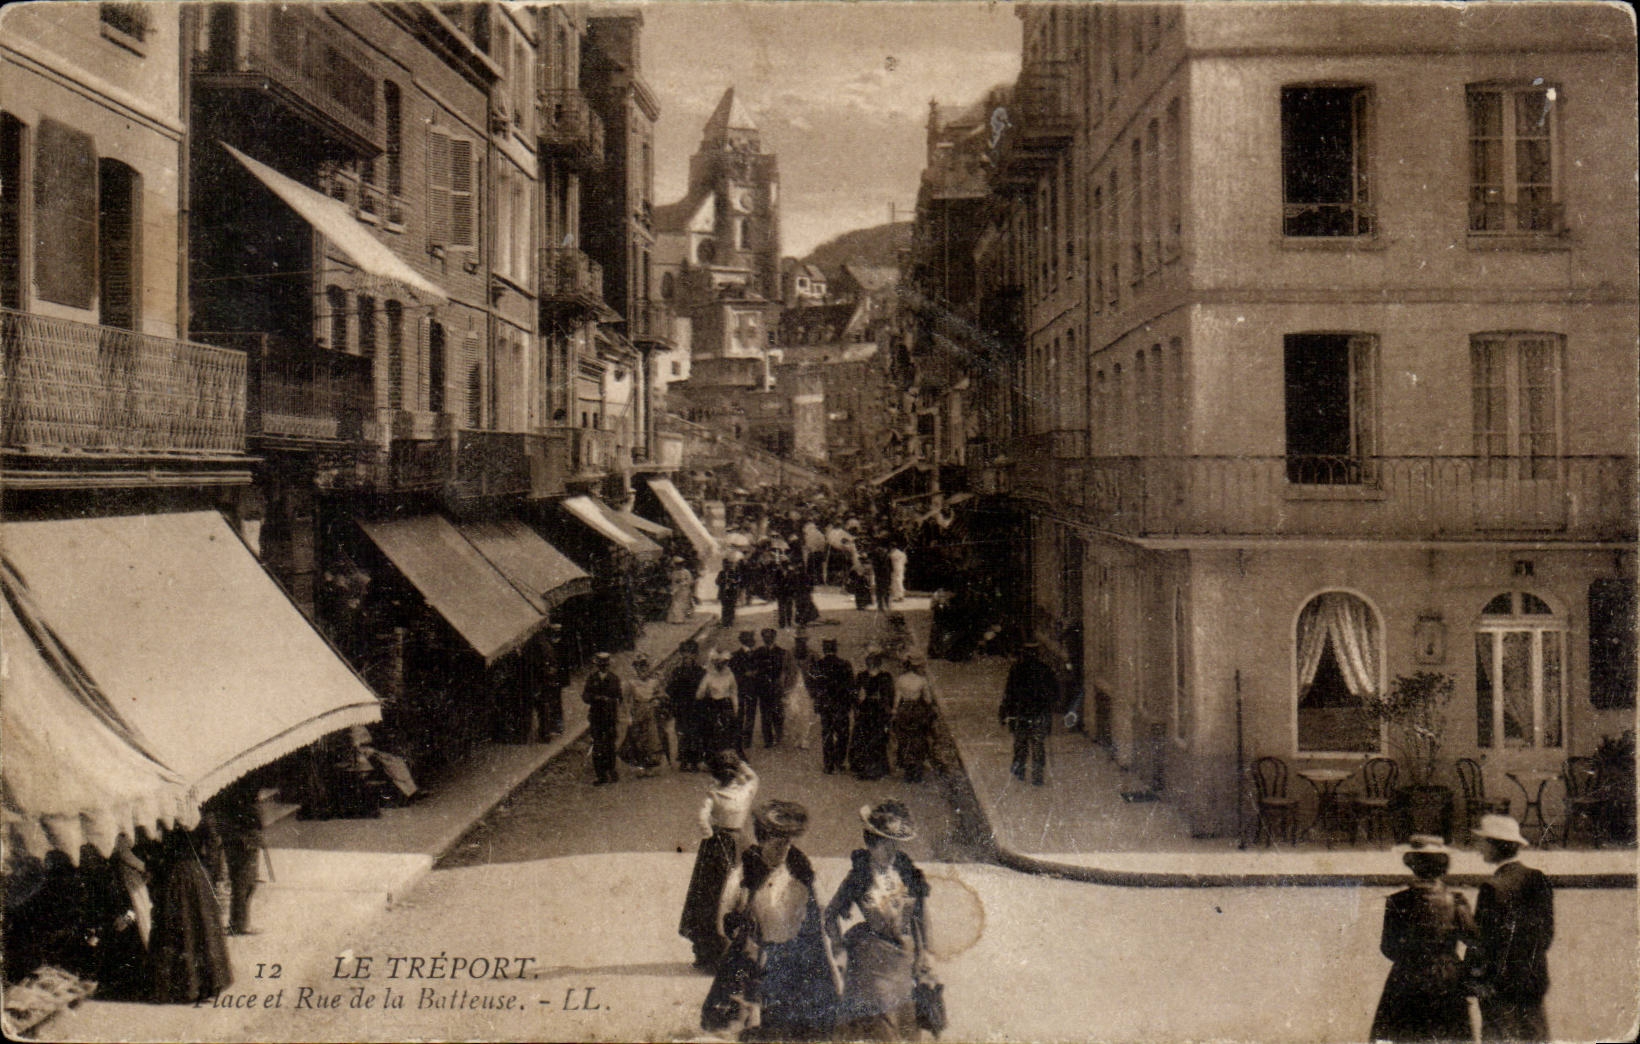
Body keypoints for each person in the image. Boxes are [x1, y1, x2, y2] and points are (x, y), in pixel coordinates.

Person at [703, 800, 838, 1042]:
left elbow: (821, 919)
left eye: (788, 842)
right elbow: (724, 920)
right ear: (763, 839)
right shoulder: (745, 872)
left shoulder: (803, 871)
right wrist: (743, 937)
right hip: (752, 959)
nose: (784, 849)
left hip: (795, 962)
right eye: (777, 843)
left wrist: (832, 970)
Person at [823, 801, 934, 1042]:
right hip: (872, 958)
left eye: (895, 844)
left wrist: (925, 951)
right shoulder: (859, 875)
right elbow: (830, 914)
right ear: (871, 844)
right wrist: (838, 947)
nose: (891, 852)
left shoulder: (907, 872)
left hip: (903, 957)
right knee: (880, 1023)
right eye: (885, 845)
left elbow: (921, 915)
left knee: (905, 1022)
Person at [1369, 835, 1476, 1043]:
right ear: (1443, 867)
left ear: (1411, 865)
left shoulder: (1397, 901)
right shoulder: (1456, 901)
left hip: (1407, 976)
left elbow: (1388, 947)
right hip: (1447, 977)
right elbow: (1474, 939)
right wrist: (1461, 968)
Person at [1466, 814, 1555, 1043]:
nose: (1479, 849)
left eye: (1483, 843)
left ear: (1495, 846)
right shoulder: (1538, 879)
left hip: (1500, 986)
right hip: (1532, 980)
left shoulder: (1492, 887)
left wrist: (1474, 978)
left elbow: (1482, 941)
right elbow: (1546, 936)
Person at [680, 751, 759, 971]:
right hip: (740, 842)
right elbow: (753, 777)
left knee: (709, 895)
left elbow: (702, 817)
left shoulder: (713, 795)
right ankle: (738, 949)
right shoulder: (746, 792)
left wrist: (708, 833)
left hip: (717, 845)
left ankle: (709, 953)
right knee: (738, 894)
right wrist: (741, 764)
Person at [140, 824, 234, 1003]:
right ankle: (202, 985)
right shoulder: (199, 814)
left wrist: (156, 870)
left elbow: (152, 845)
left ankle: (180, 987)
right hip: (195, 875)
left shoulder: (165, 815)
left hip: (174, 875)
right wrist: (208, 870)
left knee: (178, 929)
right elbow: (214, 844)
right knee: (200, 929)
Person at [203, 776, 264, 935]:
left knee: (242, 881)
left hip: (235, 835)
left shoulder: (228, 783)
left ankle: (238, 922)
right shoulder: (243, 786)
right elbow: (250, 814)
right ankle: (240, 923)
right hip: (243, 837)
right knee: (245, 881)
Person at [1000, 640, 1059, 785]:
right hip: (1039, 713)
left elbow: (1009, 693)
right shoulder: (1045, 670)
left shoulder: (1017, 670)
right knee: (1038, 745)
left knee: (1021, 744)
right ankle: (1037, 776)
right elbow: (1055, 693)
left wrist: (1004, 713)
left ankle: (1019, 771)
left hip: (1022, 713)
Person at [810, 638, 857, 774]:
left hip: (826, 706)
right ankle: (839, 761)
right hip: (841, 706)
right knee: (843, 734)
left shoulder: (818, 665)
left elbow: (815, 687)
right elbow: (851, 686)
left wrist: (817, 704)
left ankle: (828, 764)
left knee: (827, 734)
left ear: (824, 649)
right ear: (835, 649)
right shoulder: (845, 664)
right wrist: (853, 704)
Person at [892, 656, 939, 783]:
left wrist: (895, 711)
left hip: (904, 710)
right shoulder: (922, 680)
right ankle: (917, 768)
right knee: (919, 738)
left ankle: (907, 766)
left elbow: (897, 699)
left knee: (905, 738)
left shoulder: (901, 679)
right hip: (917, 711)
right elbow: (928, 699)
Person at [618, 653, 667, 776]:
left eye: (645, 666)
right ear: (636, 668)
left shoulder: (654, 682)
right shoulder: (630, 684)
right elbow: (626, 702)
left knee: (652, 739)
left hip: (651, 713)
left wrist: (658, 700)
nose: (643, 669)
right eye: (639, 666)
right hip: (638, 713)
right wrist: (628, 716)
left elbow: (663, 696)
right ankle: (640, 766)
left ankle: (650, 766)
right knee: (637, 739)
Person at [850, 650, 896, 781]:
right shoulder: (886, 677)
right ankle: (877, 769)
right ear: (879, 664)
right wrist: (889, 710)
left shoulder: (861, 676)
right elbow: (890, 695)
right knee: (878, 738)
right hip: (879, 710)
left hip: (866, 709)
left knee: (863, 738)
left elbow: (855, 695)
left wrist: (857, 708)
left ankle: (864, 768)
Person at [582, 651, 624, 785]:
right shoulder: (592, 678)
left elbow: (620, 697)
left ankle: (611, 770)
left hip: (610, 717)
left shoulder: (614, 679)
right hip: (596, 717)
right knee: (598, 745)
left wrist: (611, 701)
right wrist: (597, 698)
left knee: (610, 745)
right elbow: (585, 696)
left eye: (605, 665)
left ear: (609, 665)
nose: (603, 667)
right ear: (597, 666)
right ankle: (601, 775)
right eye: (601, 665)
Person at [669, 640, 708, 771]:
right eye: (685, 655)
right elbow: (671, 690)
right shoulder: (677, 672)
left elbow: (705, 690)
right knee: (682, 733)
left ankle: (695, 761)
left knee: (696, 733)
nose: (687, 658)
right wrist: (673, 705)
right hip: (682, 707)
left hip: (696, 707)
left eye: (690, 655)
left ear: (695, 656)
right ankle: (684, 759)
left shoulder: (700, 672)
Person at [750, 628, 792, 750]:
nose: (767, 639)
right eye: (765, 637)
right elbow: (754, 668)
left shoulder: (782, 652)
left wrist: (783, 683)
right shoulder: (758, 652)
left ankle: (779, 735)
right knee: (765, 713)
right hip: (763, 687)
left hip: (776, 686)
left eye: (770, 637)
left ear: (774, 637)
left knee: (778, 712)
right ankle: (768, 739)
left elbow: (787, 671)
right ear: (762, 638)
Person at [697, 649, 742, 757]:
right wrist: (706, 694)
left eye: (723, 663)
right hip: (713, 705)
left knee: (729, 730)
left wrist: (736, 708)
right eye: (719, 663)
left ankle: (730, 757)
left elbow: (734, 692)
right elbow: (700, 694)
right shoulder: (709, 676)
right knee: (714, 731)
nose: (721, 665)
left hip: (726, 704)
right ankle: (715, 757)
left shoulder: (729, 674)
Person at [730, 631, 761, 756]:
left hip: (753, 689)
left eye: (751, 638)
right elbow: (733, 674)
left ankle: (747, 738)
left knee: (751, 714)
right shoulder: (735, 656)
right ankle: (739, 737)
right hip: (741, 689)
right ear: (743, 641)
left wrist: (756, 673)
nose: (751, 640)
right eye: (749, 639)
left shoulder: (756, 654)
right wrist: (744, 675)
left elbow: (761, 668)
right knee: (740, 713)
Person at [668, 557, 697, 624]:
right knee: (675, 604)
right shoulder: (674, 572)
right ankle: (676, 619)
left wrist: (683, 583)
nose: (678, 566)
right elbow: (673, 581)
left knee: (682, 605)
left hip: (684, 590)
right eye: (677, 565)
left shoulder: (686, 572)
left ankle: (680, 619)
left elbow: (690, 581)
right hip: (677, 591)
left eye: (679, 564)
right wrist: (674, 586)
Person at [718, 553, 742, 627]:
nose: (726, 566)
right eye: (724, 564)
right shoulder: (721, 573)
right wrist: (723, 581)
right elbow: (717, 581)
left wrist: (733, 581)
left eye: (727, 564)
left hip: (732, 592)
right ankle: (724, 622)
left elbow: (739, 580)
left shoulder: (734, 572)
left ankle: (730, 621)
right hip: (724, 592)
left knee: (731, 607)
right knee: (724, 607)